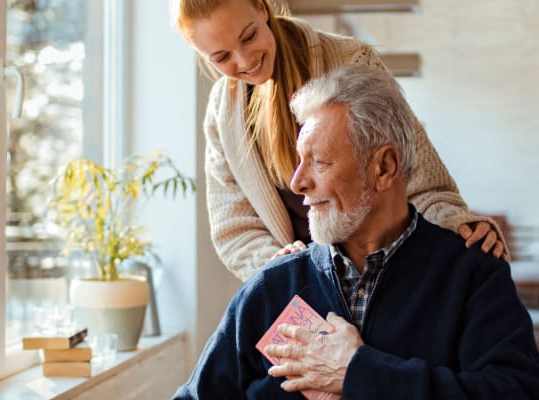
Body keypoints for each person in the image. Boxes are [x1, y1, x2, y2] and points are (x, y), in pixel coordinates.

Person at [172, 66, 539, 399]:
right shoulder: (272, 287)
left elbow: (520, 392)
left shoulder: (473, 276)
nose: (297, 181)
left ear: (384, 167)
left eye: (318, 161)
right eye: (299, 160)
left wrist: (359, 372)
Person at [171, 0, 509, 281]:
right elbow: (235, 228)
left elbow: (417, 176)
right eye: (221, 58)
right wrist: (277, 265)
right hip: (301, 288)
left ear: (262, 8)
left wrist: (456, 224)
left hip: (388, 272)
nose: (244, 61)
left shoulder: (351, 60)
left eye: (249, 37)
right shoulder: (222, 113)